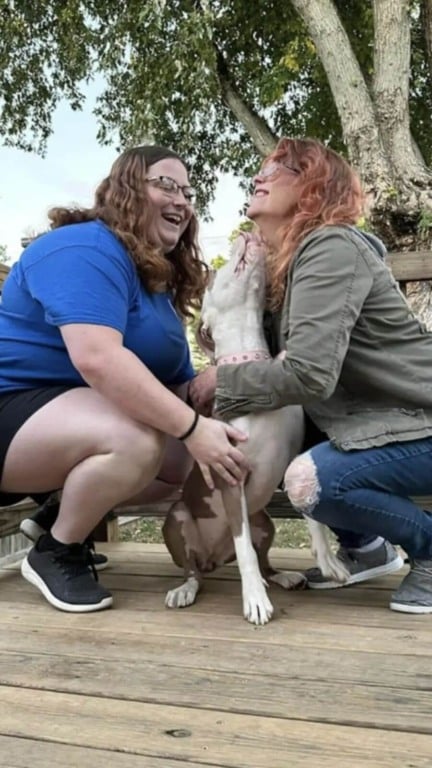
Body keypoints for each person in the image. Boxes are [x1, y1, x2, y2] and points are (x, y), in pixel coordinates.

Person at [0, 144, 249, 613]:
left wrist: (224, 382)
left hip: (67, 423)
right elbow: (98, 358)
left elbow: (177, 386)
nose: (181, 201)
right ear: (126, 189)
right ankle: (56, 550)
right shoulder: (83, 248)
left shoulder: (153, 282)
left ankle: (58, 514)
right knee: (139, 437)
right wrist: (193, 429)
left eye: (188, 192)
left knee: (188, 460)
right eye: (166, 185)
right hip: (11, 411)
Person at [190, 136, 432, 615]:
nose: (258, 177)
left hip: (420, 425)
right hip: (386, 425)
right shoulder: (290, 264)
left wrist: (221, 382)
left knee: (310, 480)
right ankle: (366, 547)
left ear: (313, 188)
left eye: (277, 170)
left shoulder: (330, 247)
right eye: (261, 170)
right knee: (297, 432)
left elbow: (308, 375)